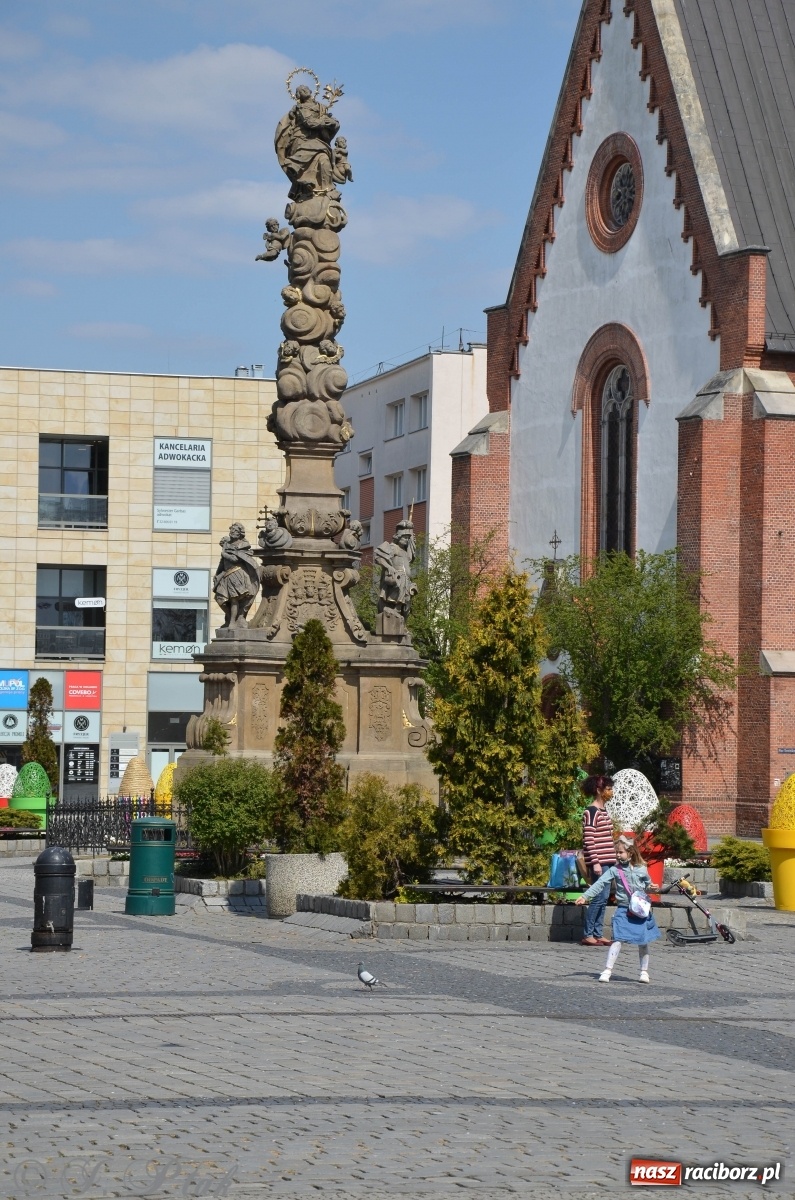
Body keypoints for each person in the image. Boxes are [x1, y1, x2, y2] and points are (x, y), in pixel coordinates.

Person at [576, 839, 661, 983]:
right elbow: (600, 883)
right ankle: (607, 970)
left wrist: (653, 888)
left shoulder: (642, 868)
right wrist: (585, 896)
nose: (617, 855)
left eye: (620, 852)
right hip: (623, 909)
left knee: (643, 941)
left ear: (630, 853)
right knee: (617, 939)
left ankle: (644, 972)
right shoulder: (615, 870)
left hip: (640, 911)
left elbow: (647, 886)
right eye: (616, 852)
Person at [580, 774, 617, 946]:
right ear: (599, 790)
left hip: (609, 860)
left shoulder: (604, 811)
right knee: (598, 897)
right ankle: (588, 934)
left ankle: (598, 932)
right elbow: (589, 839)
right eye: (608, 789)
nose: (611, 792)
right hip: (599, 862)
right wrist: (595, 862)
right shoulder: (591, 811)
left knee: (604, 898)